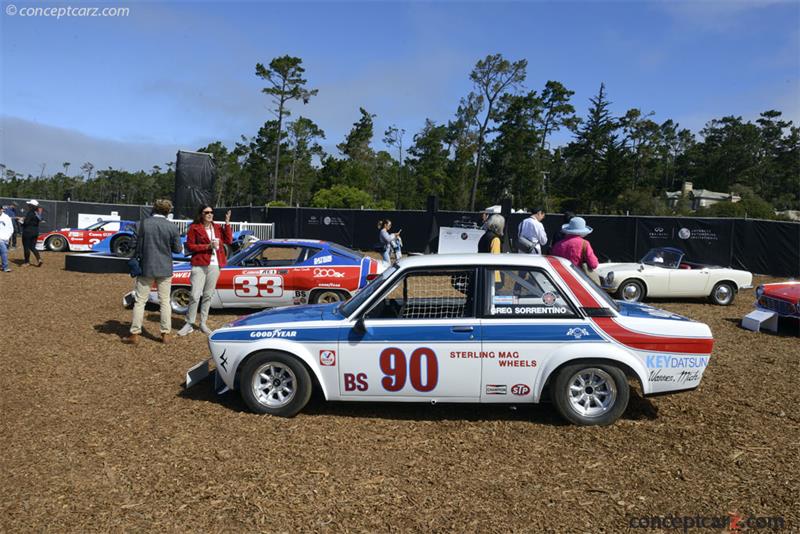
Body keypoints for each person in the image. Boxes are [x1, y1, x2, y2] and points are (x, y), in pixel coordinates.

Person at [124, 199, 183, 345]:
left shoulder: (142, 224)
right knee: (165, 302)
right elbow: (178, 249)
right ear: (168, 211)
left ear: (153, 209)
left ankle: (135, 334)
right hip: (165, 268)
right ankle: (165, 334)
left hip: (145, 267)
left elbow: (133, 245)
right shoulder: (172, 227)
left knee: (140, 301)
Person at [178, 206, 233, 336]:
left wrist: (227, 223)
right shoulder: (194, 228)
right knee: (194, 295)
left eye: (211, 212)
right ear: (201, 214)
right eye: (206, 212)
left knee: (208, 295)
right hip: (199, 263)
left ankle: (203, 322)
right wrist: (208, 246)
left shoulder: (217, 227)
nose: (209, 214)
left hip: (215, 264)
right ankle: (189, 323)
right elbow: (190, 246)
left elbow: (229, 240)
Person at [19, 200, 43, 267]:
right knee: (32, 247)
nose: (28, 205)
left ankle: (27, 262)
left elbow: (26, 223)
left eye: (29, 204)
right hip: (35, 232)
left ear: (31, 206)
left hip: (27, 232)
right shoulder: (37, 213)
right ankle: (39, 259)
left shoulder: (30, 213)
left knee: (26, 247)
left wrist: (20, 221)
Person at [0, 206, 13, 272]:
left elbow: (11, 228)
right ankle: (5, 267)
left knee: (2, 252)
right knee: (4, 252)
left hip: (6, 238)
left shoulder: (6, 217)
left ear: (1, 209)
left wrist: (8, 236)